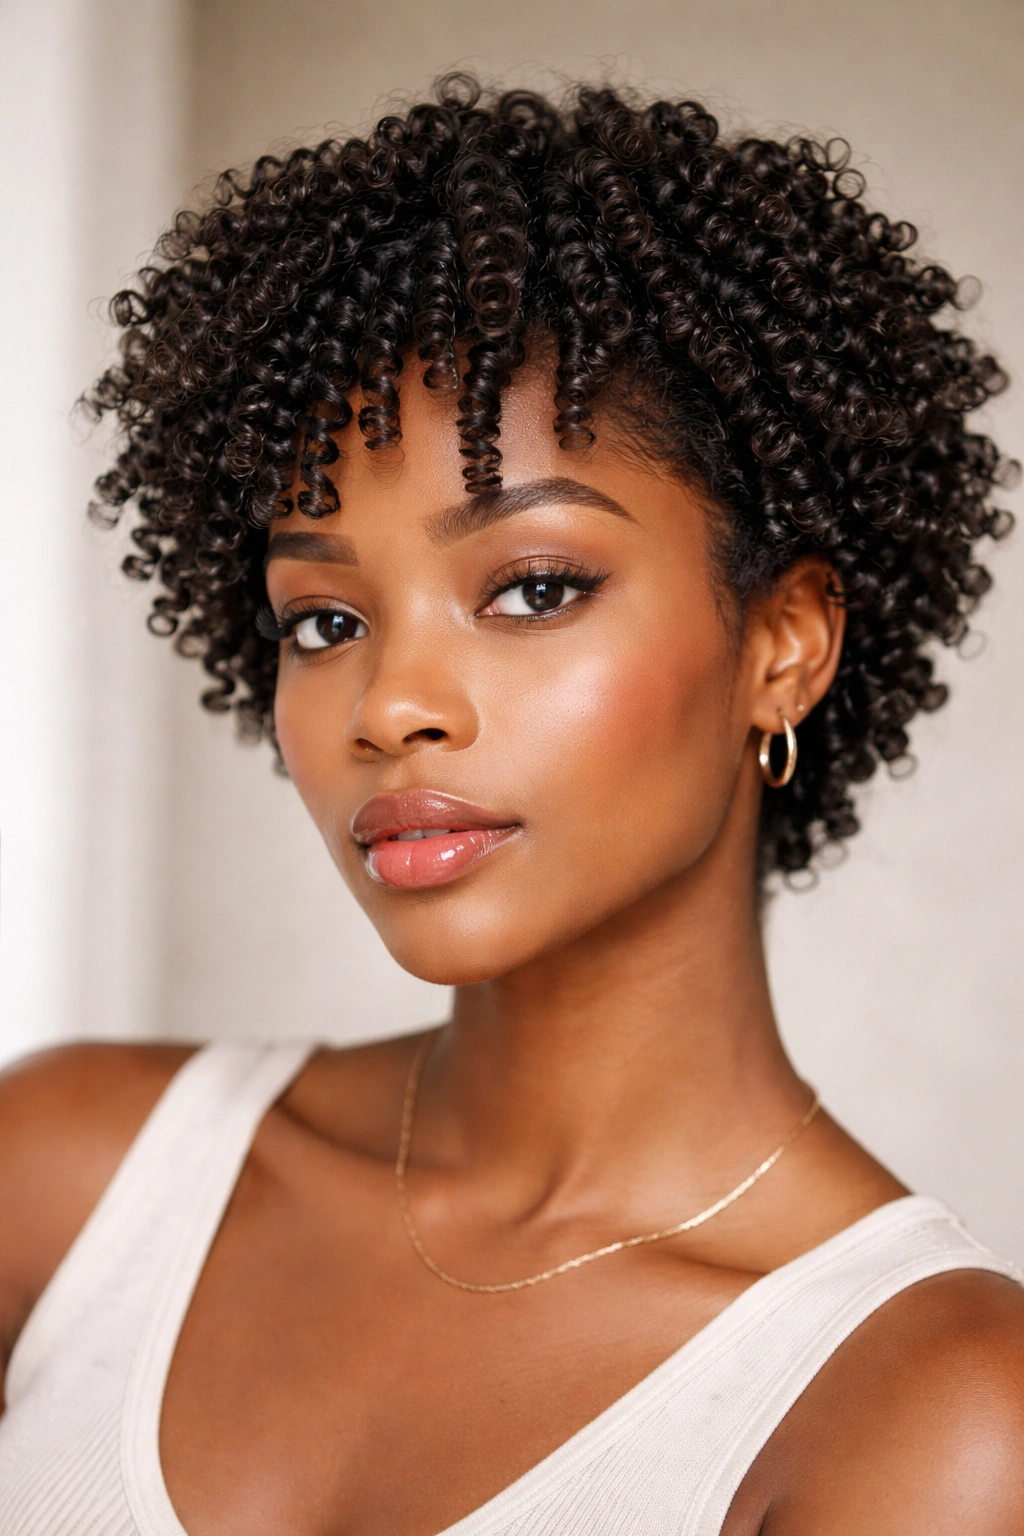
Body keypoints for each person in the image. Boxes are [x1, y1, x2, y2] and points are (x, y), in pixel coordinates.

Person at [1, 76, 1022, 1536]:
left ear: (783, 646)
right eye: (323, 621)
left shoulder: (924, 1407)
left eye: (534, 588)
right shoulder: (65, 1180)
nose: (392, 704)